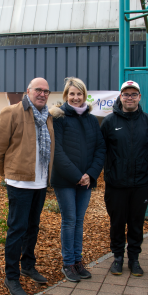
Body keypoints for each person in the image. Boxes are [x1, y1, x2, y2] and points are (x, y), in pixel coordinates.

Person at [0, 77, 55, 295]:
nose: (42, 94)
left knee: (33, 227)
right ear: (28, 91)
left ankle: (27, 265)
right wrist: (8, 174)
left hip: (40, 181)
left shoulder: (48, 116)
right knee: (17, 229)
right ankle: (11, 276)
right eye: (38, 90)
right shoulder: (12, 112)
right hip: (20, 182)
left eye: (46, 91)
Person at [100, 80, 148, 277]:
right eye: (126, 94)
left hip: (140, 184)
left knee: (136, 223)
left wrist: (139, 167)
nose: (130, 98)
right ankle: (117, 257)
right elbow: (102, 151)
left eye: (134, 94)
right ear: (120, 97)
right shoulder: (109, 122)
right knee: (117, 222)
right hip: (116, 184)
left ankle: (134, 259)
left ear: (139, 97)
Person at [49, 77, 106, 282]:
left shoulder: (91, 119)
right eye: (71, 94)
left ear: (84, 95)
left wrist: (90, 175)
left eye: (79, 94)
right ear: (66, 95)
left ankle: (77, 261)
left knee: (79, 221)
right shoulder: (58, 118)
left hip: (86, 180)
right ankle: (68, 264)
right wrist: (77, 176)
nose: (75, 97)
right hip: (65, 180)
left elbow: (100, 148)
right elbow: (58, 152)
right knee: (69, 220)